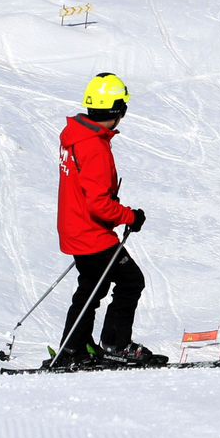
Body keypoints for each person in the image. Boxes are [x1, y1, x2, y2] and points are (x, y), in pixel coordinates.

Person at [49, 72, 156, 367]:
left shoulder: (77, 136)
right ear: (118, 110)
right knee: (130, 281)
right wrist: (130, 216)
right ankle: (114, 344)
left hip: (75, 227)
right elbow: (98, 205)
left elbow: (86, 190)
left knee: (91, 288)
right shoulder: (93, 146)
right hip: (91, 232)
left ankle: (74, 348)